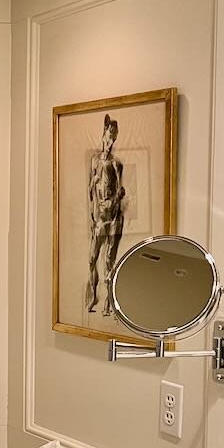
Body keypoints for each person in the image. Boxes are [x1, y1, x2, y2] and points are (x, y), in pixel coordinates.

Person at [86, 114, 126, 316]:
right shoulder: (94, 161)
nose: (111, 141)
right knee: (92, 259)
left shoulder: (116, 164)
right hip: (98, 219)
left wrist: (113, 202)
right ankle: (93, 297)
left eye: (114, 137)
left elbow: (120, 190)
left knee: (108, 261)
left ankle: (108, 305)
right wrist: (92, 216)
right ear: (103, 136)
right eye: (109, 136)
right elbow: (89, 192)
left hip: (112, 218)